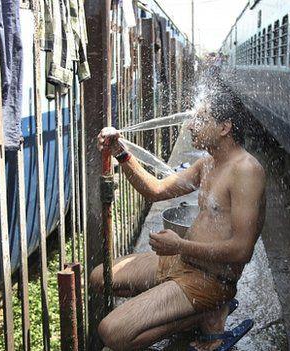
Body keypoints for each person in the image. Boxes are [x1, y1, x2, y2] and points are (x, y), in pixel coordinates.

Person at [90, 84, 266, 351]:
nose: (191, 126)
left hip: (210, 279)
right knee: (100, 277)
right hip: (181, 262)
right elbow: (155, 190)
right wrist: (120, 153)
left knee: (113, 333)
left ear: (224, 127)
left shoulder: (247, 171)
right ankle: (190, 309)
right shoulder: (207, 163)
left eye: (200, 119)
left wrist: (180, 245)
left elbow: (242, 251)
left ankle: (204, 312)